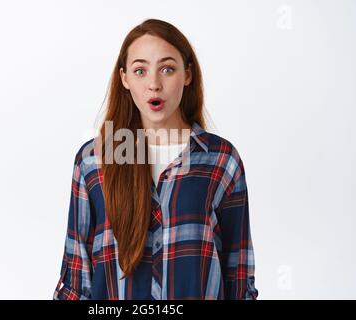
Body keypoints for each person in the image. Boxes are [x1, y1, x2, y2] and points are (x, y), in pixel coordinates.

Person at [53, 18, 258, 300]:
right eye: (140, 71)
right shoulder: (93, 161)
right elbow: (76, 278)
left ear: (187, 74)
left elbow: (238, 274)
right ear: (125, 78)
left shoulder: (221, 161)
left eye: (167, 69)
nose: (154, 84)